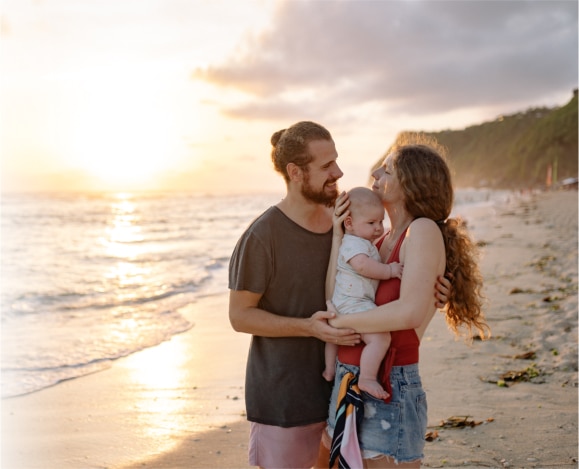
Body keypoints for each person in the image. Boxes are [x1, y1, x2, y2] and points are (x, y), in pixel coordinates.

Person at [228, 122, 451, 469]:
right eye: (327, 166)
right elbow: (240, 316)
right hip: (287, 397)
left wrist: (433, 295)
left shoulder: (353, 224)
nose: (340, 172)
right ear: (296, 172)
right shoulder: (262, 236)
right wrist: (313, 327)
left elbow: (392, 295)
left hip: (342, 387)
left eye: (337, 161)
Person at [317, 135, 490, 468]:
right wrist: (339, 236)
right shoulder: (378, 240)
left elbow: (409, 312)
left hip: (389, 382)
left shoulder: (422, 231)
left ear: (410, 183)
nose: (376, 175)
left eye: (388, 169)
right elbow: (335, 293)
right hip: (350, 375)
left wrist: (336, 324)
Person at [323, 187, 402, 401]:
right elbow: (363, 266)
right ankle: (367, 377)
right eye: (371, 223)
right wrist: (390, 271)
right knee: (380, 338)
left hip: (343, 303)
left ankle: (329, 369)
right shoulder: (353, 244)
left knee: (332, 337)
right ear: (348, 223)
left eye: (380, 221)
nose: (378, 228)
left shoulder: (362, 242)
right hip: (354, 303)